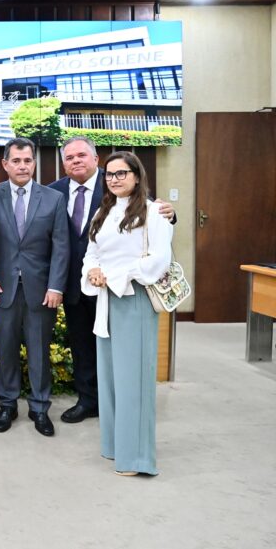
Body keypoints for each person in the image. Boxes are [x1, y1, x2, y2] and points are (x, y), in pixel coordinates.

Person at [49, 136, 175, 424]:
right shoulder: (53, 192)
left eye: (82, 155)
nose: (76, 161)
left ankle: (120, 404)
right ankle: (88, 401)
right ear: (63, 164)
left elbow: (150, 216)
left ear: (96, 160)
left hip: (120, 289)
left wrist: (172, 213)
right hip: (75, 282)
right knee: (81, 344)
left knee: (118, 347)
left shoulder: (115, 190)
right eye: (69, 157)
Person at [81, 151, 172, 476]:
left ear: (137, 175)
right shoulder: (103, 213)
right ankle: (115, 446)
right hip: (106, 301)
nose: (115, 179)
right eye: (110, 174)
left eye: (122, 173)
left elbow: (158, 261)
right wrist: (92, 271)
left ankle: (136, 457)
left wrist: (115, 276)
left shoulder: (155, 212)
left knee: (134, 381)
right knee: (110, 379)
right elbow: (92, 252)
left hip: (135, 302)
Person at [0, 138, 70, 437]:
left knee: (39, 352)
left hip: (40, 289)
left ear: (34, 163)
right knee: (6, 349)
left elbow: (61, 246)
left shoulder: (52, 198)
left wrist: (56, 286)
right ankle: (7, 405)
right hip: (2, 288)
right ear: (5, 164)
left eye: (28, 161)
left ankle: (39, 408)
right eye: (16, 161)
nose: (23, 166)